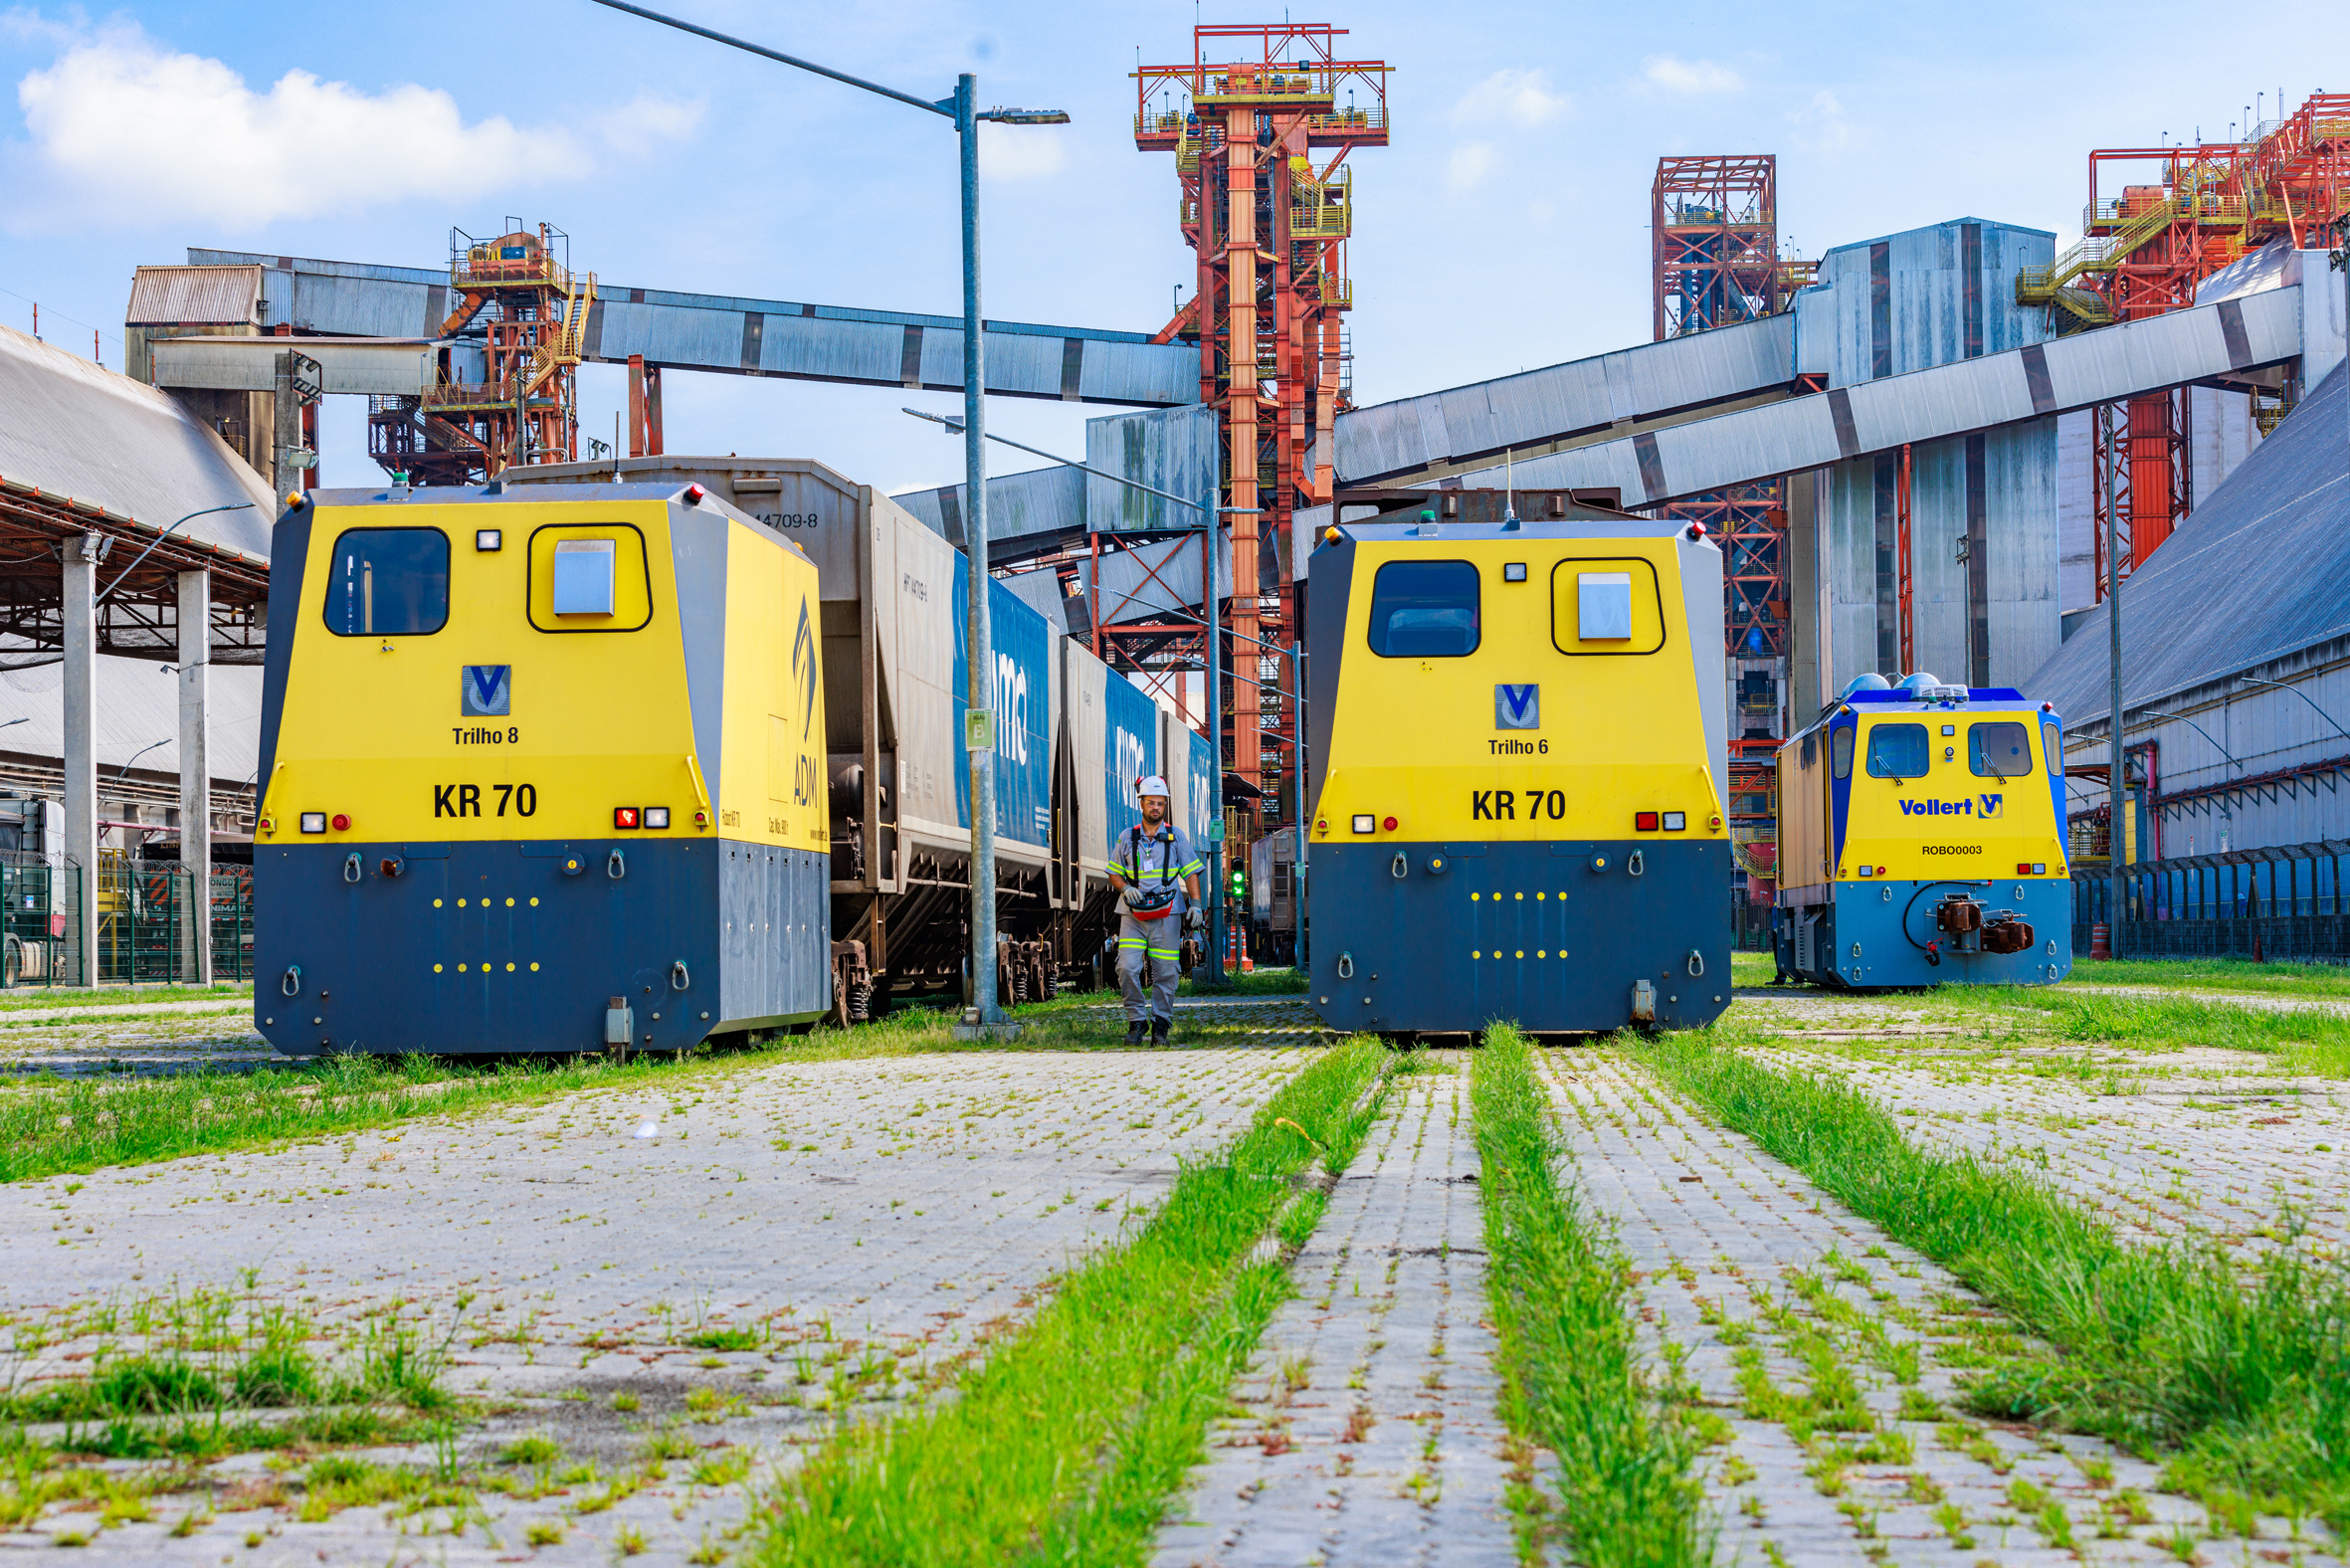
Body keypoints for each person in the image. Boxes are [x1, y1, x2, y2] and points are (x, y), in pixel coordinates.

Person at [1108, 777, 1203, 1046]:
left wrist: (1195, 904)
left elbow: (1192, 871)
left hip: (1167, 915)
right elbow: (1114, 873)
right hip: (1133, 915)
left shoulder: (1176, 837)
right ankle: (1137, 1021)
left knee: (1167, 972)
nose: (1156, 808)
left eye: (1161, 803)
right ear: (1141, 803)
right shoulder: (1127, 837)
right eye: (1151, 802)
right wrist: (1126, 888)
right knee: (1126, 967)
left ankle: (1161, 1024)